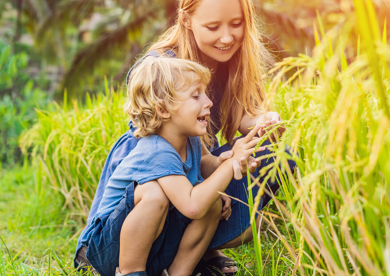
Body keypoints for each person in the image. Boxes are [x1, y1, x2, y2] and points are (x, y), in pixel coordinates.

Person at [75, 0, 295, 274]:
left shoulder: (226, 69)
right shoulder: (158, 75)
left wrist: (262, 127)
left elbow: (226, 132)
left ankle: (184, 263)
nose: (227, 37)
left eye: (236, 23)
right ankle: (131, 267)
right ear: (186, 20)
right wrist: (222, 170)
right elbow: (174, 171)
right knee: (158, 194)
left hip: (185, 179)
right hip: (146, 195)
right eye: (213, 27)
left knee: (271, 155)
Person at [80, 56, 264, 276]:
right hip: (107, 249)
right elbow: (191, 205)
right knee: (154, 193)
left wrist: (231, 159)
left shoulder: (190, 139)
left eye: (205, 93)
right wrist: (227, 168)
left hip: (154, 243)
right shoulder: (156, 150)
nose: (208, 102)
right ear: (164, 110)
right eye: (196, 96)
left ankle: (177, 273)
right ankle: (131, 272)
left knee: (212, 203)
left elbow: (201, 172)